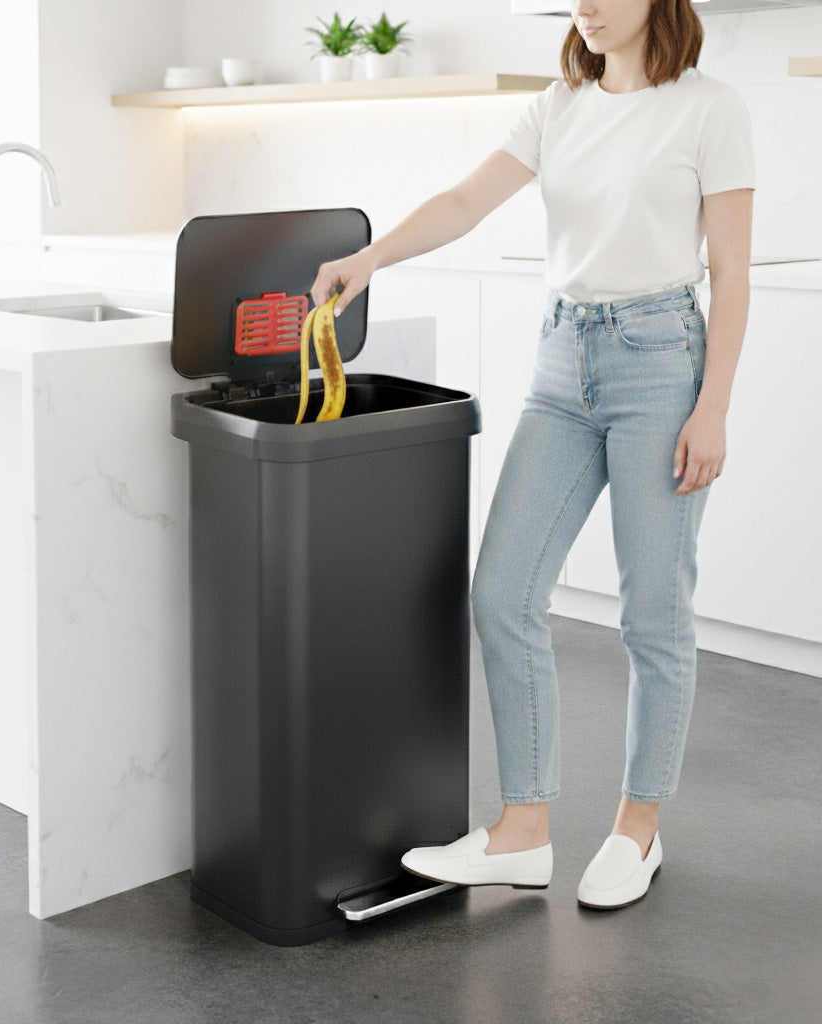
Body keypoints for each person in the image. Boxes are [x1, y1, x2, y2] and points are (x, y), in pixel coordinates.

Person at [311, 0, 754, 910]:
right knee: (503, 591)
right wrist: (372, 256)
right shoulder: (558, 104)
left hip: (661, 363)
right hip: (562, 362)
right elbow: (467, 201)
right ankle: (524, 831)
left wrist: (712, 407)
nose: (585, 6)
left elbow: (733, 274)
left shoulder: (711, 108)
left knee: (653, 615)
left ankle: (639, 829)